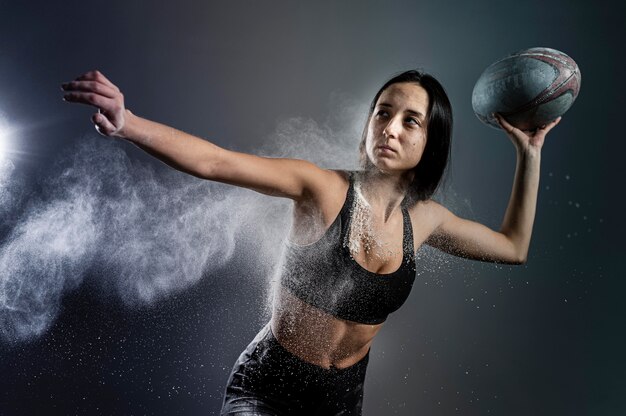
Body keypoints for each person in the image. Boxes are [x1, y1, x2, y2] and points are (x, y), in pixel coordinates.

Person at [62, 69, 560, 415]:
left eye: (411, 121)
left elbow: (513, 247)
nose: (389, 128)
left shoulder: (426, 221)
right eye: (382, 113)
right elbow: (217, 162)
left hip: (341, 401)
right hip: (268, 387)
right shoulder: (321, 188)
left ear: (433, 141)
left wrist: (530, 151)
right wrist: (128, 124)